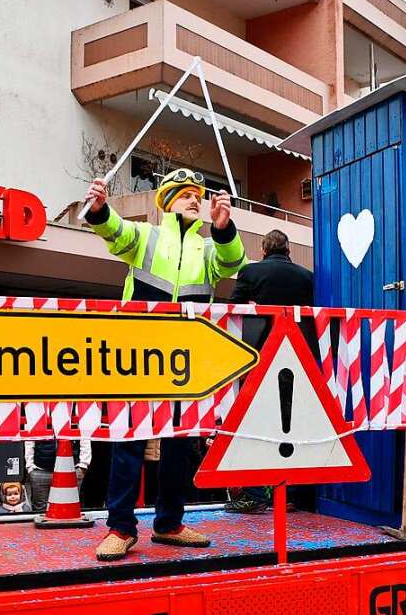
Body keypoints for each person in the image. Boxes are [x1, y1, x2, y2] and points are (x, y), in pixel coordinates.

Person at [84, 169, 246, 561]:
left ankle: (169, 523)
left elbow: (233, 263)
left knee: (180, 442)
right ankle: (121, 528)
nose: (195, 199)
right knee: (129, 442)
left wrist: (225, 230)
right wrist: (101, 209)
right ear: (167, 201)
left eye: (199, 195)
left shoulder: (207, 247)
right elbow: (115, 232)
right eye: (186, 194)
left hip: (185, 361)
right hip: (139, 356)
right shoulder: (146, 236)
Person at [227, 229, 315, 513]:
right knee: (297, 423)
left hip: (265, 353)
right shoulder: (306, 276)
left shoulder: (251, 272)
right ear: (288, 250)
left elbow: (233, 308)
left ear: (263, 250)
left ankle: (255, 494)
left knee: (258, 421)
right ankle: (296, 495)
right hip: (300, 355)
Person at [25, 438, 91, 513]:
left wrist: (83, 465)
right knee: (41, 511)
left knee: (69, 508)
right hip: (41, 470)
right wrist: (30, 467)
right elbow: (30, 439)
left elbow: (84, 436)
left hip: (71, 469)